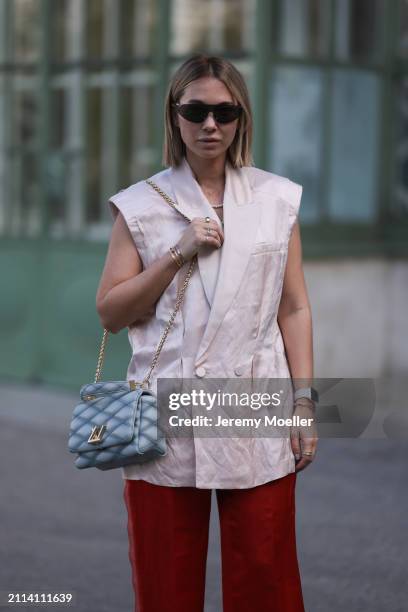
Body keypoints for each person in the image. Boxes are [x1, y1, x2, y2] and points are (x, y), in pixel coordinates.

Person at [96, 53, 317, 612]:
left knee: (266, 580)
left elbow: (293, 308)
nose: (210, 125)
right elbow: (111, 313)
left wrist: (305, 402)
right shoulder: (141, 205)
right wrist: (178, 251)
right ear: (175, 116)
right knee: (166, 586)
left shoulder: (276, 200)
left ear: (243, 117)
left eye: (225, 111)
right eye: (195, 110)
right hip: (166, 409)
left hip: (254, 404)